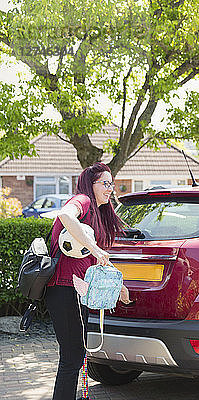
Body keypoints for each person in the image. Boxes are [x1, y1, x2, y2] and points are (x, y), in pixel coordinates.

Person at [45, 162, 130, 400]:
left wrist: (118, 283)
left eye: (112, 184)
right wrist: (94, 247)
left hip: (77, 291)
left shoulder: (97, 213)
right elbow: (64, 215)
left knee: (76, 356)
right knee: (72, 357)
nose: (110, 188)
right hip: (63, 289)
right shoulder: (82, 201)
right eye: (105, 183)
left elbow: (96, 259)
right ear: (90, 184)